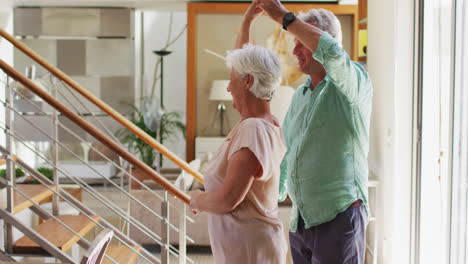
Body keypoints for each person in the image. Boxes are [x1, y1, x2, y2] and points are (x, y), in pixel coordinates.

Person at [256, 0, 373, 263]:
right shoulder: (300, 95)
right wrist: (267, 202)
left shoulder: (353, 83)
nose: (294, 49)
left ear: (323, 42)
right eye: (294, 41)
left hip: (339, 218)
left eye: (301, 41)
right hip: (301, 223)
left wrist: (285, 18)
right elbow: (287, 153)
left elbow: (333, 53)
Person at [189, 3, 288, 264]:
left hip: (251, 252)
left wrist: (196, 199)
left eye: (232, 78)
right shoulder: (264, 123)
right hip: (252, 248)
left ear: (248, 82)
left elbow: (228, 199)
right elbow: (243, 64)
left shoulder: (253, 129)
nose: (229, 87)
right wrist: (247, 23)